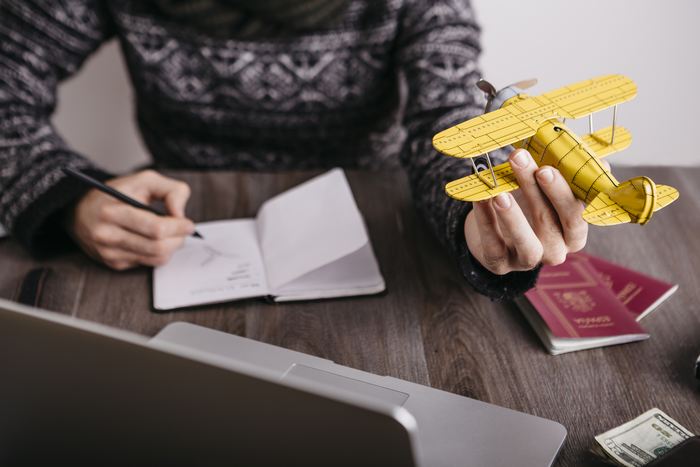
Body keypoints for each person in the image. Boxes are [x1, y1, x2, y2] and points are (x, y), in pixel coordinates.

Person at [0, 0, 588, 301]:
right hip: (180, 229)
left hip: (375, 228)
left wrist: (472, 222)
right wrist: (70, 199)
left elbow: (445, 115)